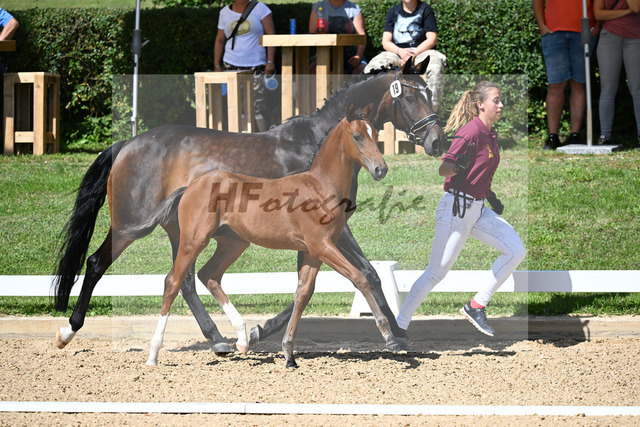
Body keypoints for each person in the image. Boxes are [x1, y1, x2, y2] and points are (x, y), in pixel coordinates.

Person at [395, 82, 526, 337]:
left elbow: (480, 170)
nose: (501, 105)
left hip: (478, 208)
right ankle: (398, 326)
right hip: (456, 208)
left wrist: (489, 194)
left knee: (515, 251)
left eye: (501, 100)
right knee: (436, 273)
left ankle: (476, 305)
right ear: (480, 105)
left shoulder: (491, 134)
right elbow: (443, 169)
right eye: (496, 101)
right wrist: (458, 167)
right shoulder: (471, 131)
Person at [533, 0, 598, 150]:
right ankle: (553, 136)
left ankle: (575, 135)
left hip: (583, 30)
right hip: (554, 32)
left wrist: (597, 27)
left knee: (579, 83)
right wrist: (542, 26)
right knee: (556, 84)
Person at [363, 0, 447, 113]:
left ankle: (432, 111)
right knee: (372, 67)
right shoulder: (393, 11)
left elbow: (432, 39)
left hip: (420, 51)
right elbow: (386, 42)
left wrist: (413, 54)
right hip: (397, 52)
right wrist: (401, 52)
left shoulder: (425, 9)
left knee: (436, 64)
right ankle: (371, 111)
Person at [214, 0, 276, 132]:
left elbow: (271, 36)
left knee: (257, 106)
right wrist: (217, 65)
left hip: (256, 64)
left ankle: (263, 138)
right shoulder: (224, 12)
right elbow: (220, 39)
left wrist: (270, 61)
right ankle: (239, 138)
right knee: (235, 105)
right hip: (230, 64)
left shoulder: (260, 8)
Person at [593, 0, 640, 148]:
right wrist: (626, 12)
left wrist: (614, 14)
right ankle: (604, 135)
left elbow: (636, 7)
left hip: (636, 37)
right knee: (607, 89)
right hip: (609, 37)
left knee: (637, 89)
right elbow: (598, 14)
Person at [309, 0, 367, 74]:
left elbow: (361, 37)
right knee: (312, 69)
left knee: (364, 70)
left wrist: (358, 56)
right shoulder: (318, 7)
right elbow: (312, 33)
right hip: (324, 52)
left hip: (351, 53)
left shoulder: (354, 8)